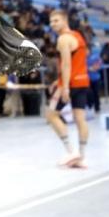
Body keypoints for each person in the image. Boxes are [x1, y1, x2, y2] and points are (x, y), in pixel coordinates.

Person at [46, 9, 90, 168]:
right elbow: (77, 60)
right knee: (80, 118)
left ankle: (71, 152)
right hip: (83, 81)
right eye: (51, 21)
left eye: (56, 20)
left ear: (65, 20)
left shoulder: (63, 39)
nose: (53, 24)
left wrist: (64, 87)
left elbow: (66, 64)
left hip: (70, 83)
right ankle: (81, 157)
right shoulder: (78, 36)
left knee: (51, 115)